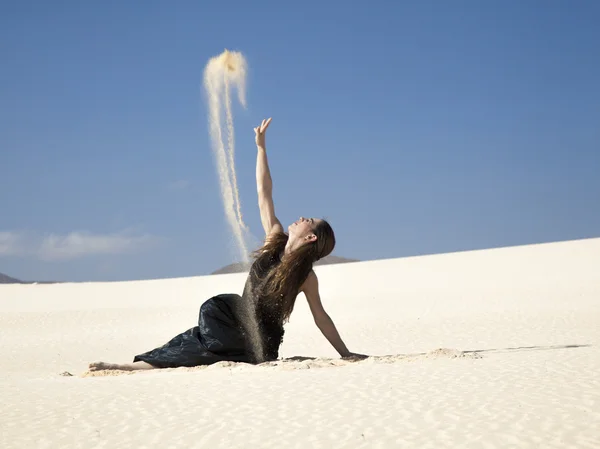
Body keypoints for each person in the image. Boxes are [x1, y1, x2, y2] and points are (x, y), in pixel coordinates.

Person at [88, 117, 366, 372]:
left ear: (311, 237)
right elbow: (264, 192)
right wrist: (261, 148)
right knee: (192, 336)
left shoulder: (306, 276)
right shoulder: (274, 239)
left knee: (205, 336)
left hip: (259, 342)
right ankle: (129, 367)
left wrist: (345, 353)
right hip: (233, 322)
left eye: (310, 221)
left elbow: (321, 317)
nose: (303, 217)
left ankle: (127, 367)